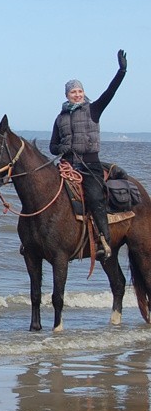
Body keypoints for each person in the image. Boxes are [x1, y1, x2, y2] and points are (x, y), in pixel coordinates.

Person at [50, 49, 128, 260]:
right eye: (73, 92)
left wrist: (121, 71)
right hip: (67, 165)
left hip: (89, 165)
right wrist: (62, 149)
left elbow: (110, 92)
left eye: (79, 91)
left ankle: (104, 239)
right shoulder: (60, 118)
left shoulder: (94, 109)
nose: (77, 95)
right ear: (66, 95)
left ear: (83, 93)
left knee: (94, 197)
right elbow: (52, 147)